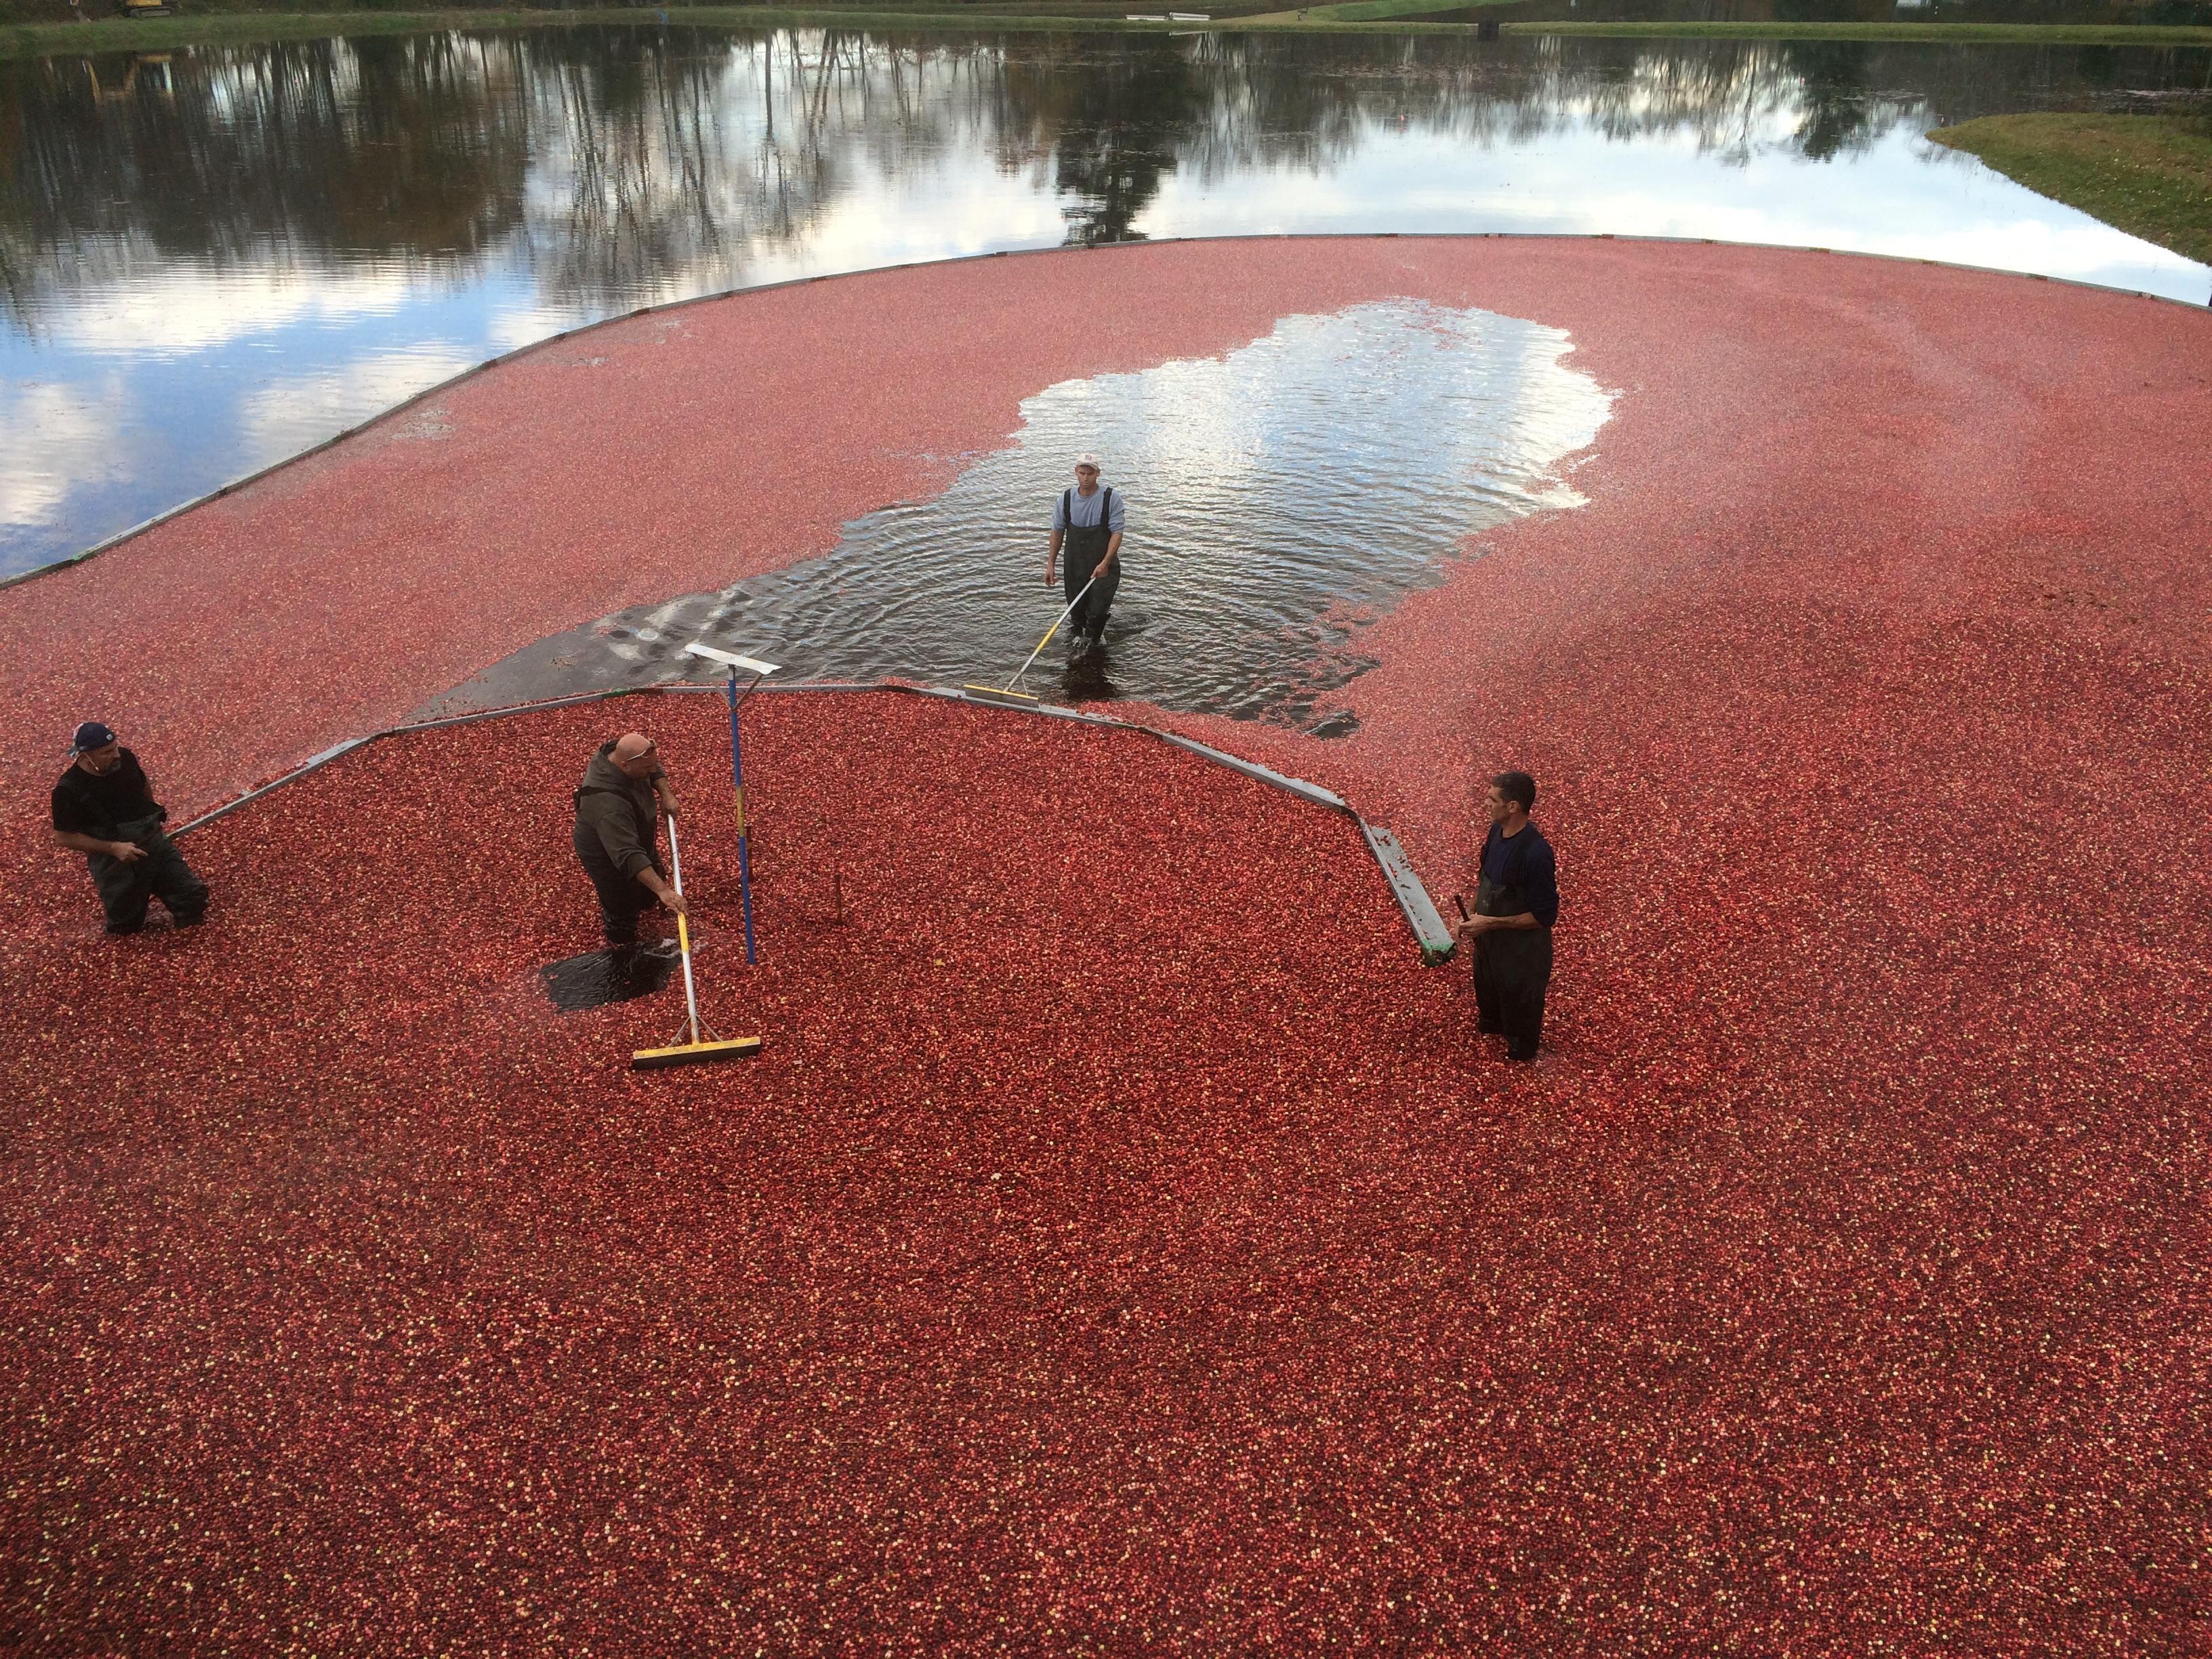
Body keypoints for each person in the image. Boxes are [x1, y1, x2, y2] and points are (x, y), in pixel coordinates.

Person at [50, 720, 209, 936]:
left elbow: (142, 784)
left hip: (155, 844)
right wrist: (114, 848)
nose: (115, 754)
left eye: (115, 747)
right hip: (116, 863)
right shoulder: (68, 790)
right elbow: (63, 837)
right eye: (107, 752)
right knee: (126, 925)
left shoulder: (125, 758)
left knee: (191, 897)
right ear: (85, 756)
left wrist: (151, 814)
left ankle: (189, 929)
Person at [1456, 770, 1559, 1063]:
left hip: (1522, 954)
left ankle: (1520, 1051)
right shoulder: (1495, 833)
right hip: (1490, 947)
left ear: (1512, 806)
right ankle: (1496, 1027)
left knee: (1520, 1007)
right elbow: (1485, 877)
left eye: (1492, 799)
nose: (1485, 804)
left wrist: (1489, 923)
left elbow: (1545, 915)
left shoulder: (1535, 854)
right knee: (1489, 999)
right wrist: (1471, 915)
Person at [573, 731, 686, 950]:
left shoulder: (620, 751)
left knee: (647, 892)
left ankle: (646, 900)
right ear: (624, 767)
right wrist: (664, 891)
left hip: (636, 830)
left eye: (652, 765)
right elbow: (628, 854)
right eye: (646, 769)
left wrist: (667, 794)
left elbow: (653, 766)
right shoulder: (606, 803)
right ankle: (621, 942)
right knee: (622, 900)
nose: (652, 771)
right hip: (606, 851)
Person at [1045, 452, 1126, 656]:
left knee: (1097, 611)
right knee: (1077, 611)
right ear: (1076, 473)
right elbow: (1057, 532)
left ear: (1098, 474)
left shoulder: (1111, 498)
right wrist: (1051, 564)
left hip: (1103, 565)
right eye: (1082, 473)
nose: (1086, 478)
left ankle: (1094, 644)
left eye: (1090, 473)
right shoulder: (1065, 500)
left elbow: (1117, 533)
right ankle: (1077, 644)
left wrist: (1106, 562)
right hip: (1075, 564)